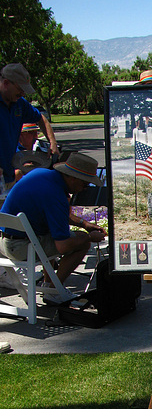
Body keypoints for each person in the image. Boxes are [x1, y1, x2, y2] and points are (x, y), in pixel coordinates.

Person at [0, 152, 106, 288]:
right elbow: (63, 246)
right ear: (74, 178)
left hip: (4, 241)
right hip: (20, 248)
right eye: (85, 185)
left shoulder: (40, 174)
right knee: (81, 242)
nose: (84, 189)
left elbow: (56, 215)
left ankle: (48, 283)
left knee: (48, 234)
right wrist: (89, 237)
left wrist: (84, 223)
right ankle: (54, 288)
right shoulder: (56, 196)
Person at [0, 63, 59, 189]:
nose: (22, 93)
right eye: (20, 89)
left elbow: (41, 118)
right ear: (6, 83)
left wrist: (52, 142)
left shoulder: (20, 104)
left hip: (8, 177)